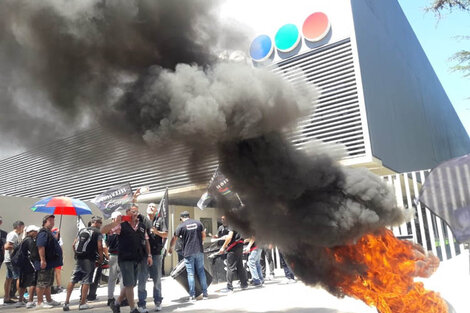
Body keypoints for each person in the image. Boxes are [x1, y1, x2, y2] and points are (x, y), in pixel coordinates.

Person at [102, 205, 153, 313]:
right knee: (129, 284)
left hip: (137, 258)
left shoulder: (142, 226)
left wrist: (149, 255)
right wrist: (115, 222)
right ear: (127, 213)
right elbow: (103, 230)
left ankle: (116, 304)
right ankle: (132, 308)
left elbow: (146, 241)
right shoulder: (121, 225)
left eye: (136, 212)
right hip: (125, 259)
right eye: (132, 211)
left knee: (132, 284)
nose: (135, 214)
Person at [63, 216, 103, 311]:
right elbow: (100, 246)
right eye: (100, 223)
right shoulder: (97, 232)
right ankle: (82, 303)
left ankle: (66, 302)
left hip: (79, 258)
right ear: (96, 222)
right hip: (89, 259)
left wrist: (76, 254)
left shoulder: (82, 230)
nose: (101, 225)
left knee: (73, 279)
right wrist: (101, 258)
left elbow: (74, 244)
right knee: (86, 280)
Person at [169, 211, 208, 302]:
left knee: (190, 274)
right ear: (189, 216)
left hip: (188, 252)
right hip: (199, 251)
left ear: (182, 218)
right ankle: (205, 294)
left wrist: (170, 247)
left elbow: (174, 238)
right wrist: (201, 242)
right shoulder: (198, 223)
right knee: (201, 272)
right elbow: (203, 235)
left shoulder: (181, 226)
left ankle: (192, 295)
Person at [138, 203, 168, 312]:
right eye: (149, 206)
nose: (151, 207)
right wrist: (135, 197)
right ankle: (141, 304)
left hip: (156, 253)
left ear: (156, 210)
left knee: (157, 279)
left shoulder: (160, 220)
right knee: (142, 280)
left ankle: (158, 302)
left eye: (153, 207)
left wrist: (156, 232)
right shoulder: (142, 219)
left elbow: (166, 234)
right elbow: (133, 209)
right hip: (143, 254)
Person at [36, 214, 62, 309]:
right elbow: (41, 246)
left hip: (51, 262)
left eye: (53, 221)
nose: (52, 222)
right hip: (45, 262)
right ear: (45, 222)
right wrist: (42, 260)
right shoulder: (43, 233)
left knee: (48, 283)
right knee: (42, 282)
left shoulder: (49, 233)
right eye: (50, 220)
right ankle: (39, 302)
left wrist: (57, 236)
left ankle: (49, 299)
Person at [218, 224, 248, 292]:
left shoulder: (232, 225)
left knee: (230, 267)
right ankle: (244, 284)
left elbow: (230, 237)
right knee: (240, 265)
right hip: (240, 246)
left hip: (233, 248)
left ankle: (229, 287)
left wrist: (223, 247)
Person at [104, 211, 124, 307]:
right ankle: (122, 298)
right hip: (118, 255)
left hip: (113, 255)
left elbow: (106, 243)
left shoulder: (109, 229)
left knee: (113, 278)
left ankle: (110, 298)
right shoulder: (121, 227)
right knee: (121, 278)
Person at [18, 225, 40, 309]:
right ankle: (30, 301)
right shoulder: (30, 241)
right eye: (35, 231)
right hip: (30, 263)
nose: (36, 233)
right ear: (30, 232)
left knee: (23, 282)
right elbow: (33, 253)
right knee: (33, 281)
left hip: (24, 263)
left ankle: (20, 300)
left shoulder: (24, 240)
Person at [3, 220, 25, 305]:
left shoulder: (16, 235)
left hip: (9, 259)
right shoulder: (13, 234)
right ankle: (21, 299)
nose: (23, 229)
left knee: (9, 279)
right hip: (12, 260)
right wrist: (18, 246)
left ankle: (7, 298)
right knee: (18, 278)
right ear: (19, 226)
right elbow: (7, 246)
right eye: (22, 227)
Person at [51, 227, 64, 294]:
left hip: (58, 258)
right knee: (51, 273)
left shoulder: (60, 239)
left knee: (58, 272)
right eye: (55, 233)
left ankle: (59, 286)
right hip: (51, 258)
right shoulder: (50, 239)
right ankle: (51, 286)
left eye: (57, 233)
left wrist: (62, 258)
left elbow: (61, 249)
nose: (56, 234)